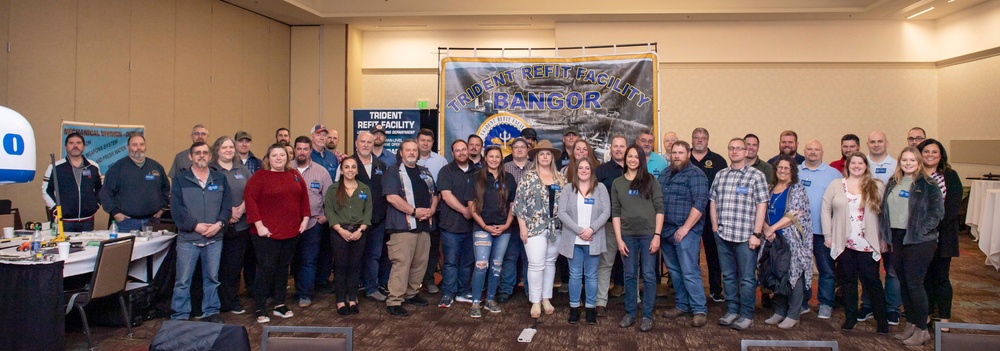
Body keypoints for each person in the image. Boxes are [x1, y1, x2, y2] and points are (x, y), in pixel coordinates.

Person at [880, 147, 943, 346]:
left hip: (920, 240)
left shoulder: (928, 183)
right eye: (904, 160)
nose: (908, 163)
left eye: (912, 160)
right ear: (900, 162)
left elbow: (937, 212)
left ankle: (922, 329)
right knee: (904, 283)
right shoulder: (893, 182)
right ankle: (911, 324)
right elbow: (885, 211)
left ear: (919, 161)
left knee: (915, 284)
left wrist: (921, 230)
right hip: (897, 238)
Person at [822, 151, 888, 334]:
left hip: (868, 243)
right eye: (853, 163)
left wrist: (883, 239)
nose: (857, 166)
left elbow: (884, 216)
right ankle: (850, 318)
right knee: (848, 282)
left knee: (872, 282)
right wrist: (828, 236)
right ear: (847, 166)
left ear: (866, 166)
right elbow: (825, 209)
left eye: (860, 163)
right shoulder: (836, 185)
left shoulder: (876, 186)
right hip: (845, 244)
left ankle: (881, 320)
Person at [244, 144, 311, 323]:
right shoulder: (259, 177)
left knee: (283, 269)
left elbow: (304, 197)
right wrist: (259, 225)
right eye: (275, 155)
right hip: (266, 233)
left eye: (282, 155)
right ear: (268, 158)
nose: (279, 158)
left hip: (290, 232)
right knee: (266, 270)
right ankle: (260, 308)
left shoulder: (294, 175)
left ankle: (280, 304)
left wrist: (305, 219)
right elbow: (250, 201)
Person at [169, 142, 231, 323]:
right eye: (197, 153)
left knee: (212, 278)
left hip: (214, 237)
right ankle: (180, 315)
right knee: (183, 281)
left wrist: (219, 225)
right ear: (190, 156)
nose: (201, 156)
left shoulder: (220, 179)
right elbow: (176, 209)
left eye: (205, 153)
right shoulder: (181, 180)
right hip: (189, 238)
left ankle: (211, 312)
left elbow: (226, 207)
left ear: (210, 156)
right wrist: (195, 225)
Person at [710, 137, 768, 330]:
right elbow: (713, 201)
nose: (734, 152)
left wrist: (757, 233)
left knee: (747, 278)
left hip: (746, 237)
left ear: (745, 151)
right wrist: (714, 227)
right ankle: (732, 310)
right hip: (724, 235)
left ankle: (746, 314)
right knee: (728, 276)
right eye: (731, 148)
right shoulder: (721, 175)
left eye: (738, 148)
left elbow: (762, 205)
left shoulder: (756, 176)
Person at [382, 139, 438, 317]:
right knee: (402, 264)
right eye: (408, 150)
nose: (412, 153)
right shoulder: (393, 172)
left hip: (424, 225)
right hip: (403, 226)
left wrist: (432, 210)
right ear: (401, 152)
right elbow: (392, 197)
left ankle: (411, 293)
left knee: (420, 263)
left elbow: (435, 194)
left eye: (415, 150)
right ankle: (394, 300)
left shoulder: (424, 171)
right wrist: (414, 212)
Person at [611, 145, 664, 332]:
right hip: (627, 236)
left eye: (636, 157)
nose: (633, 159)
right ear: (625, 159)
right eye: (629, 156)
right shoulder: (617, 183)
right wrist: (619, 239)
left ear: (641, 160)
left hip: (649, 234)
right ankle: (630, 313)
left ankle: (647, 315)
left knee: (649, 275)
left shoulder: (650, 181)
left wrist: (657, 235)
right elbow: (615, 213)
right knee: (630, 275)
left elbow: (659, 208)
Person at [657, 141, 710, 328]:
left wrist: (685, 228)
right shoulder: (664, 174)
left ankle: (699, 309)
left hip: (686, 231)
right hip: (666, 231)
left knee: (689, 271)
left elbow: (700, 203)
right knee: (675, 272)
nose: (677, 156)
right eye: (674, 152)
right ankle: (682, 305)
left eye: (681, 152)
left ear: (688, 153)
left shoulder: (696, 174)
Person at [513, 140, 564, 319]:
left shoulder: (560, 179)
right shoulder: (529, 177)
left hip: (556, 229)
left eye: (548, 154)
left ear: (552, 157)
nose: (544, 156)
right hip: (533, 227)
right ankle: (535, 301)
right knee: (536, 264)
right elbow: (519, 204)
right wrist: (522, 228)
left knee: (550, 263)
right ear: (536, 157)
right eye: (541, 154)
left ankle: (546, 298)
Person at [761, 156, 813, 329]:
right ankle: (779, 311)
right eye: (779, 168)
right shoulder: (770, 189)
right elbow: (760, 211)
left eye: (786, 168)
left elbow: (793, 215)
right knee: (778, 275)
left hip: (791, 240)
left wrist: (772, 228)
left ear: (792, 171)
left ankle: (793, 314)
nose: (782, 171)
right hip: (772, 239)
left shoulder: (797, 189)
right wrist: (766, 228)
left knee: (794, 276)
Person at [557, 157, 610, 325]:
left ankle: (590, 309)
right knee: (574, 275)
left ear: (592, 170)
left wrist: (591, 229)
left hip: (593, 238)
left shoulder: (600, 188)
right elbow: (562, 213)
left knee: (592, 275)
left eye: (587, 168)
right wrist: (580, 231)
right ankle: (574, 309)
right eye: (581, 168)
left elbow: (606, 212)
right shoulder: (567, 189)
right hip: (574, 240)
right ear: (576, 170)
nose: (584, 171)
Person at [917, 139, 962, 332]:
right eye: (926, 151)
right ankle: (925, 315)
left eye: (934, 152)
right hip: (918, 236)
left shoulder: (950, 176)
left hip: (943, 235)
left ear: (941, 155)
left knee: (941, 278)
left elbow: (952, 207)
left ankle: (944, 319)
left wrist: (932, 224)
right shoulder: (913, 174)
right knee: (924, 277)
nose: (930, 155)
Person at [467, 146, 517, 317]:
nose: (494, 159)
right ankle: (475, 302)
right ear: (485, 158)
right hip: (482, 228)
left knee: (496, 265)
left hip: (504, 229)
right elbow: (472, 207)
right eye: (491, 156)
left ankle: (490, 299)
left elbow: (512, 205)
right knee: (481, 265)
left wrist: (506, 225)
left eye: (497, 157)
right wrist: (485, 226)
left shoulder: (508, 178)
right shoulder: (476, 178)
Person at [343, 132, 391, 302]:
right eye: (362, 141)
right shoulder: (348, 163)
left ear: (373, 144)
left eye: (369, 142)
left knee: (374, 255)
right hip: (353, 221)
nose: (365, 145)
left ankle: (371, 288)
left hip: (376, 219)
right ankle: (351, 291)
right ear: (356, 143)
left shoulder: (381, 165)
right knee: (354, 257)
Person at [798, 140, 842, 319]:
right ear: (804, 151)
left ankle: (825, 303)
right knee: (801, 268)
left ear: (822, 152)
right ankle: (802, 302)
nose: (813, 152)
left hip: (824, 231)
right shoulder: (796, 171)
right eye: (809, 149)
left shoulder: (834, 174)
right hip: (800, 231)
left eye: (817, 149)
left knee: (826, 269)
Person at [210, 136, 253, 315]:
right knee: (215, 267)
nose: (228, 150)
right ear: (217, 150)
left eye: (230, 147)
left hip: (240, 226)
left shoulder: (242, 170)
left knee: (234, 266)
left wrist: (240, 210)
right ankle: (214, 302)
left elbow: (251, 193)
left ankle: (232, 300)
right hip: (217, 226)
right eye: (224, 147)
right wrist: (228, 214)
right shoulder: (211, 170)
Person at [860, 131, 900, 323]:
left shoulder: (896, 166)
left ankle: (892, 308)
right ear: (867, 144)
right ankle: (867, 304)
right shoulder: (861, 164)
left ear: (886, 143)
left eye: (880, 141)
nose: (876, 145)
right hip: (866, 225)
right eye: (873, 142)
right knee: (869, 269)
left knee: (892, 269)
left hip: (891, 225)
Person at [324, 157, 372, 315]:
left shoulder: (364, 189)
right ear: (342, 170)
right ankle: (340, 301)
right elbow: (329, 210)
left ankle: (352, 299)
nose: (350, 170)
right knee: (341, 267)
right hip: (339, 233)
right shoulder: (333, 189)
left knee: (354, 267)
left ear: (357, 170)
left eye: (353, 167)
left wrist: (361, 230)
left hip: (359, 232)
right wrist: (340, 230)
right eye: (347, 167)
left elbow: (368, 211)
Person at [290, 136, 334, 308]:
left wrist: (325, 217)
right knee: (291, 260)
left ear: (310, 151)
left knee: (309, 260)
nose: (302, 152)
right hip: (289, 224)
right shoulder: (286, 169)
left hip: (313, 224)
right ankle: (287, 292)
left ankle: (305, 294)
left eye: (305, 149)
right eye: (299, 148)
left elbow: (329, 198)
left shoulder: (321, 171)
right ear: (294, 150)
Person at [436, 140, 478, 308]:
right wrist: (465, 211)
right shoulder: (446, 171)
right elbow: (446, 195)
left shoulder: (478, 172)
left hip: (472, 227)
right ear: (452, 153)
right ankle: (448, 293)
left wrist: (474, 213)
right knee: (450, 262)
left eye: (464, 149)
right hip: (451, 225)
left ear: (468, 151)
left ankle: (463, 291)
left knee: (467, 262)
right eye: (457, 151)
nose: (461, 153)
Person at [100, 135, 170, 232]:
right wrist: (115, 213)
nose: (139, 148)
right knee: (126, 248)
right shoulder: (118, 168)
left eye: (141, 144)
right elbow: (105, 193)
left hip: (152, 222)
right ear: (128, 147)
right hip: (126, 223)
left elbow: (166, 189)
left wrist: (162, 208)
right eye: (134, 145)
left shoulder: (156, 167)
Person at [690, 127, 727, 302]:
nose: (699, 140)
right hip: (688, 216)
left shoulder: (718, 161)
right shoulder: (683, 158)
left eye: (703, 137)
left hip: (712, 215)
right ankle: (693, 289)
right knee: (691, 254)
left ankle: (715, 289)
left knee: (714, 254)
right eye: (696, 137)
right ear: (691, 140)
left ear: (707, 140)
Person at [594, 135, 628, 312]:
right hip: (608, 225)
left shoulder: (635, 169)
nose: (619, 149)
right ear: (611, 149)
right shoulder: (601, 170)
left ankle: (634, 300)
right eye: (615, 146)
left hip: (631, 227)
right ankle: (600, 301)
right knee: (606, 263)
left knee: (631, 265)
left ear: (627, 148)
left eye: (622, 146)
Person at [43, 133, 103, 232]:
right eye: (71, 143)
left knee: (87, 247)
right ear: (66, 147)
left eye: (78, 143)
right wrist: (55, 209)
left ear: (83, 147)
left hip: (87, 221)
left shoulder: (93, 167)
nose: (75, 146)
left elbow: (100, 188)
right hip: (64, 221)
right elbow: (46, 190)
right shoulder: (55, 167)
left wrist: (96, 204)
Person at [498, 137, 532, 303]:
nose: (519, 150)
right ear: (511, 150)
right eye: (516, 147)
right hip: (509, 221)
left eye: (522, 147)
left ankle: (530, 290)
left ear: (528, 149)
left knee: (529, 258)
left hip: (531, 221)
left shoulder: (535, 167)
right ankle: (506, 289)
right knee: (510, 257)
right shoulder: (504, 168)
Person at [415, 128, 447, 293]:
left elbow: (443, 188)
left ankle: (429, 280)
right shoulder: (409, 158)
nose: (425, 143)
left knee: (432, 247)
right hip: (412, 212)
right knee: (414, 247)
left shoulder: (441, 161)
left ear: (433, 143)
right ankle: (413, 282)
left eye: (428, 141)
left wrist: (432, 210)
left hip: (435, 211)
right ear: (417, 141)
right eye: (422, 140)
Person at [309, 125, 338, 294]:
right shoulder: (307, 155)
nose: (322, 138)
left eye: (325, 135)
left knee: (327, 249)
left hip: (330, 211)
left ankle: (323, 280)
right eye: (319, 135)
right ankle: (308, 283)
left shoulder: (332, 157)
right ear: (312, 136)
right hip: (312, 214)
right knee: (310, 252)